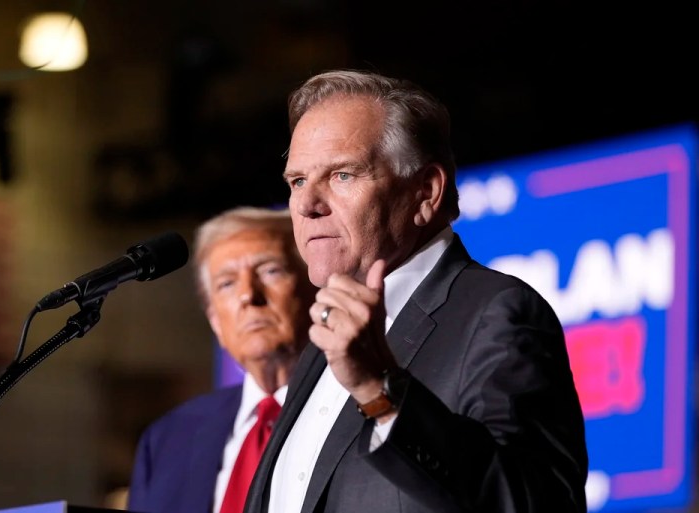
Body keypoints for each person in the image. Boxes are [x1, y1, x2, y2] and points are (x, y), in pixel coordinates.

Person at [244, 70, 588, 513]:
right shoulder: (319, 346)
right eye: (297, 182)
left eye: (342, 175)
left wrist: (381, 390)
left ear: (425, 193)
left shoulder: (496, 314)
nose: (308, 205)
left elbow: (535, 503)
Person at [127, 206, 317, 513]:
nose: (247, 295)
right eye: (227, 283)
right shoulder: (166, 441)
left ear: (314, 289)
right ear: (215, 321)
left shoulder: (356, 409)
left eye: (271, 270)